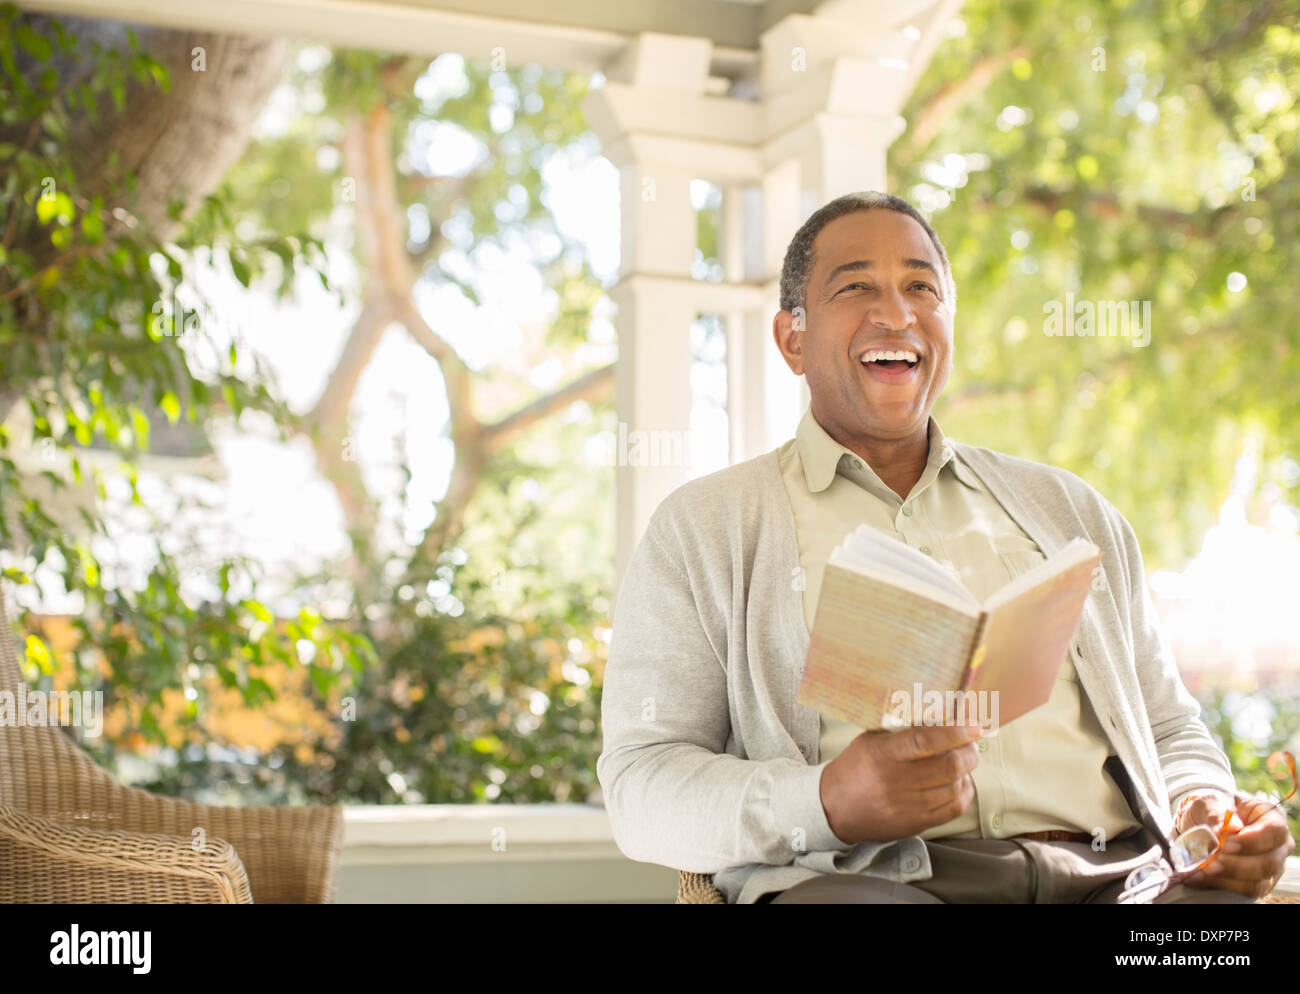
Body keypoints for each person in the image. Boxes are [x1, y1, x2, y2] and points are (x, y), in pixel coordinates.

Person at [595, 191, 1294, 904]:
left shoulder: (1072, 510)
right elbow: (641, 784)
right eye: (856, 286)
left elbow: (1170, 727)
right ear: (792, 339)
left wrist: (1204, 802)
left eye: (921, 287)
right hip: (875, 884)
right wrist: (827, 799)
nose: (896, 313)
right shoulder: (706, 527)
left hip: (1123, 880)